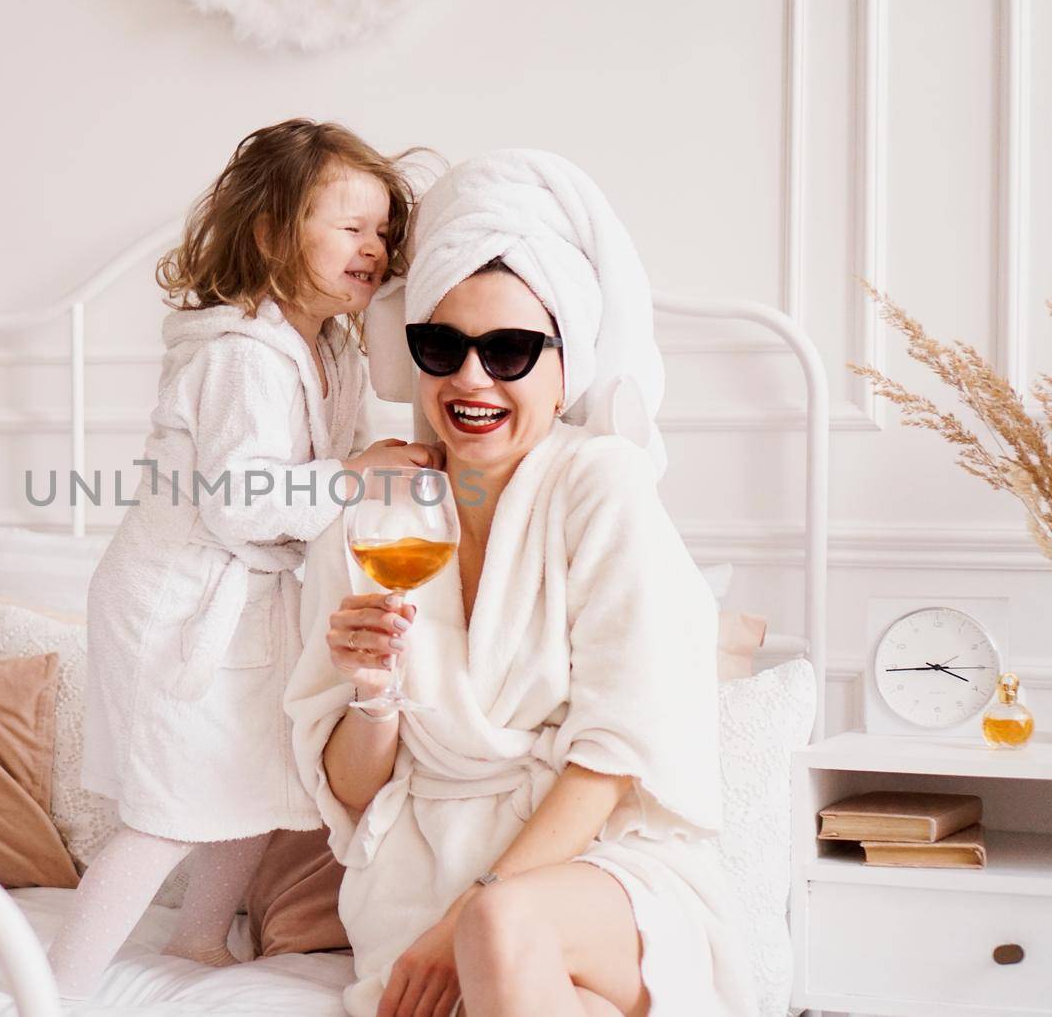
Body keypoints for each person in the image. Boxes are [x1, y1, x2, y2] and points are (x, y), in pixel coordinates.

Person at [287, 150, 756, 1017]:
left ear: (564, 362)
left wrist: (475, 909)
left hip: (595, 871)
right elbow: (352, 793)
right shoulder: (372, 508)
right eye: (442, 346)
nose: (471, 379)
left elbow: (614, 757)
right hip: (414, 884)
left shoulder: (601, 485)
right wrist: (372, 696)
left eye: (509, 350)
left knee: (502, 931)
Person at [48, 118, 439, 999]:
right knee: (167, 805)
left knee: (258, 779)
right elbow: (243, 500)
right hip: (177, 606)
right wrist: (353, 477)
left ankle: (194, 940)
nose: (372, 248)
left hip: (247, 603)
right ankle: (55, 982)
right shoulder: (241, 358)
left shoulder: (329, 345)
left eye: (383, 231)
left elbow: (322, 466)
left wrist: (380, 463)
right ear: (270, 233)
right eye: (348, 227)